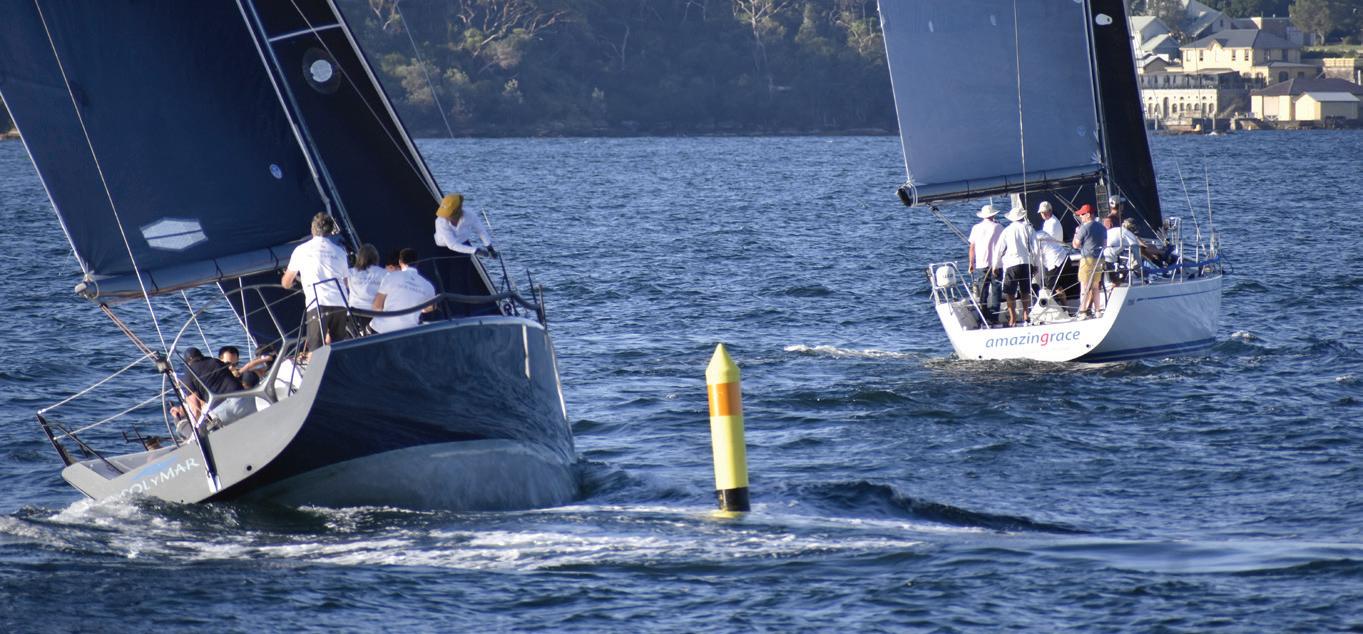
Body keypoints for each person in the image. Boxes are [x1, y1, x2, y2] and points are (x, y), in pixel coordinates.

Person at [282, 212, 350, 352]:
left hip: (318, 303)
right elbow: (346, 282)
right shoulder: (340, 252)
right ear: (330, 231)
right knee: (338, 347)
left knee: (316, 349)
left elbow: (286, 282)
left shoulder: (301, 250)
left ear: (312, 229)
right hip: (340, 302)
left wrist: (293, 281)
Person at [371, 248, 436, 334]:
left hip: (382, 330)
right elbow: (431, 307)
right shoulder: (428, 286)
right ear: (417, 263)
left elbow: (377, 306)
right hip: (408, 333)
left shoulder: (391, 276)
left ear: (400, 262)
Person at [996, 206, 1038, 327]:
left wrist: (995, 265)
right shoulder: (1029, 228)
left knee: (1010, 293)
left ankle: (1012, 317)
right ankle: (1025, 313)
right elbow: (1035, 248)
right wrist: (1035, 264)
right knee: (1025, 291)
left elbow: (999, 249)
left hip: (1012, 264)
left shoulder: (1007, 230)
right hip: (1026, 262)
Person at [967, 204, 1003, 324]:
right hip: (996, 264)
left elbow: (972, 247)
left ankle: (983, 315)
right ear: (993, 215)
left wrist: (971, 263)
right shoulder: (998, 227)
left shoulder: (976, 228)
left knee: (983, 290)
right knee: (996, 290)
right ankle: (994, 316)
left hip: (981, 263)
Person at [433, 193, 497, 258]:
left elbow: (481, 231)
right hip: (443, 247)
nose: (445, 217)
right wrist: (476, 251)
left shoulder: (470, 214)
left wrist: (489, 247)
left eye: (448, 214)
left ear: (458, 211)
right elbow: (452, 245)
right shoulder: (440, 222)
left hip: (463, 242)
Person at [1072, 204, 1107, 318]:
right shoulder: (1102, 227)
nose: (1080, 216)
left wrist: (1076, 233)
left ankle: (1082, 312)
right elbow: (1105, 244)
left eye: (1082, 214)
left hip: (1087, 259)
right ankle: (1097, 311)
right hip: (1099, 259)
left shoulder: (1083, 228)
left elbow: (1076, 245)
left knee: (1084, 286)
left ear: (1088, 215)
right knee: (1095, 286)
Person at [347, 243, 385, 335]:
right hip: (376, 317)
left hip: (354, 317)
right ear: (376, 257)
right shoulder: (383, 273)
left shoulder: (350, 273)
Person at [1103, 213, 1140, 288]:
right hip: (1110, 256)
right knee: (1120, 272)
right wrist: (1139, 267)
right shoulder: (1128, 233)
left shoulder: (1114, 230)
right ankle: (1116, 285)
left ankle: (1113, 284)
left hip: (1101, 255)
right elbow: (1136, 249)